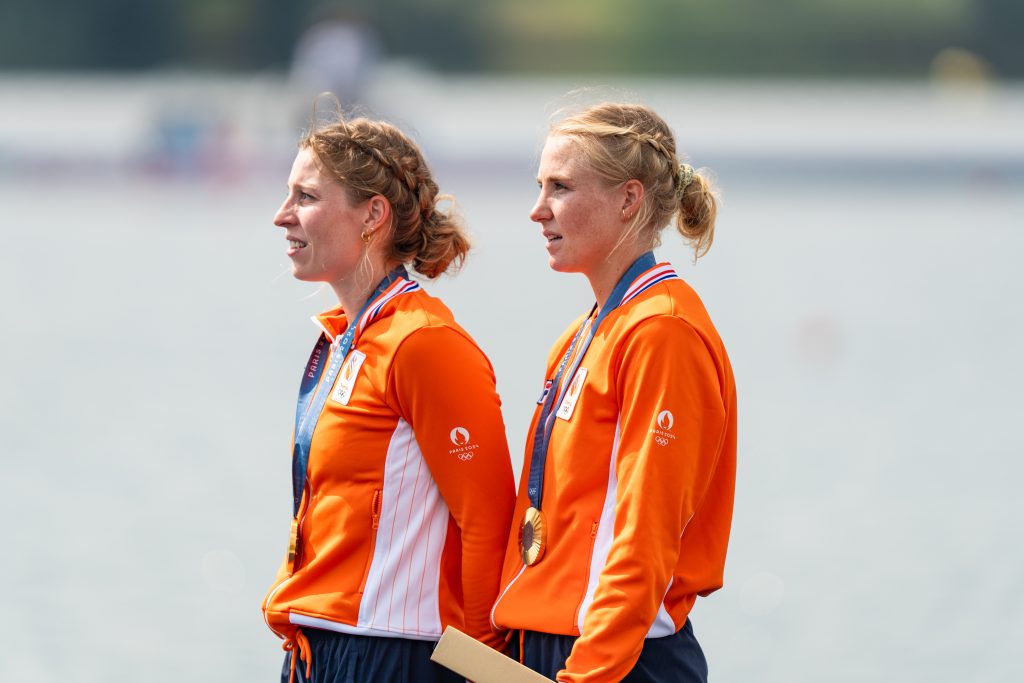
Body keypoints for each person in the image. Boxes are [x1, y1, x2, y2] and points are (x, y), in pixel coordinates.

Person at [262, 111, 515, 683]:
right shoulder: (343, 339)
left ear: (373, 215)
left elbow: (487, 520)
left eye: (305, 197)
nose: (282, 215)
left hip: (392, 653)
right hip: (317, 647)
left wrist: (485, 666)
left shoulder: (425, 342)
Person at [490, 102, 737, 682]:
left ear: (628, 199)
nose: (537, 210)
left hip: (617, 660)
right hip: (550, 646)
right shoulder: (581, 336)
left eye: (560, 187)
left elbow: (644, 537)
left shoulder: (663, 332)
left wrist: (588, 675)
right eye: (539, 186)